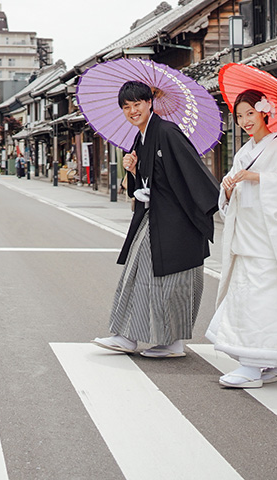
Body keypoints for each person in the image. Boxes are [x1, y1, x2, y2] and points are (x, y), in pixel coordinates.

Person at [94, 81, 219, 359]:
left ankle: (163, 341)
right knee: (138, 275)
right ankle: (129, 335)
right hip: (155, 219)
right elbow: (147, 181)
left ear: (150, 102)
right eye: (126, 107)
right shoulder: (141, 138)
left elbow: (192, 175)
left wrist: (157, 193)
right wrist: (134, 171)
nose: (132, 111)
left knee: (175, 282)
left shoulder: (168, 132)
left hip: (178, 222)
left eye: (137, 103)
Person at [206, 89, 277, 388]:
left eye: (249, 113)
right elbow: (231, 198)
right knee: (247, 299)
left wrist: (258, 178)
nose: (244, 121)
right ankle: (270, 364)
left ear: (264, 111)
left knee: (265, 302)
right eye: (239, 116)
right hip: (246, 235)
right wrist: (227, 189)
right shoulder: (244, 153)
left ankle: (255, 366)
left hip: (271, 240)